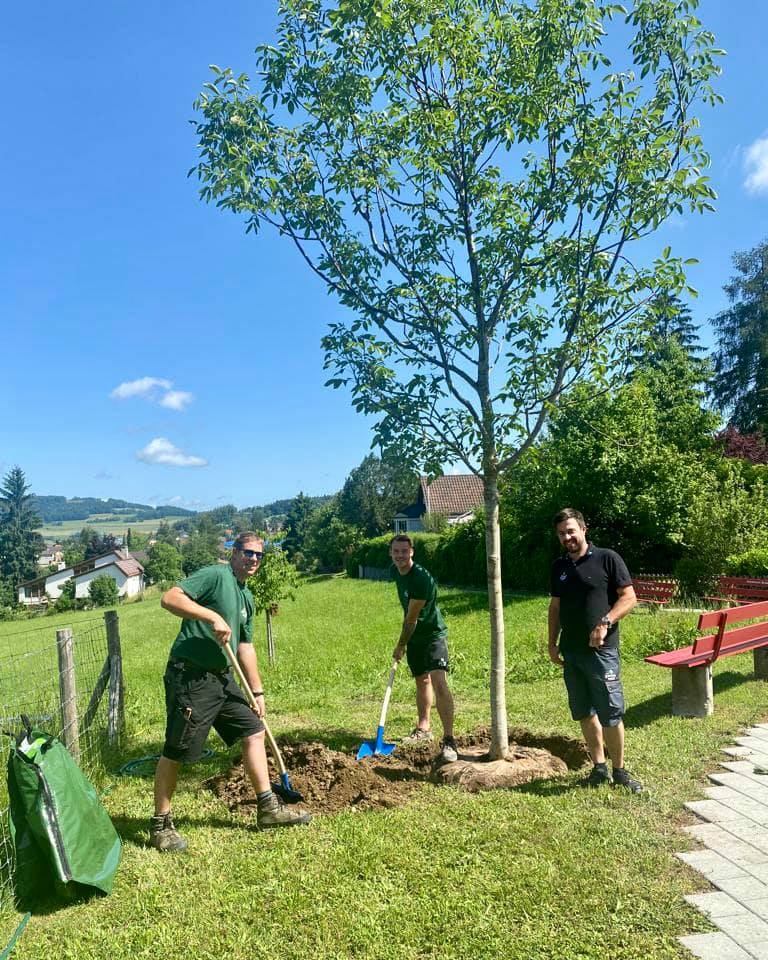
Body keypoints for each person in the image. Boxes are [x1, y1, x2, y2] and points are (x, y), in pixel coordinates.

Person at [150, 532, 311, 852]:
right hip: (191, 676)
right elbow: (169, 598)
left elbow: (245, 647)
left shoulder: (247, 596)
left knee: (254, 730)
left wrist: (257, 692)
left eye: (259, 555)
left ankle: (268, 808)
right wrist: (211, 615)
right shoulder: (215, 576)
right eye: (248, 553)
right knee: (177, 750)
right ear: (234, 552)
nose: (254, 560)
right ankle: (160, 825)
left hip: (223, 679)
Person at [547, 509, 643, 793]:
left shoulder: (607, 558)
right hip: (572, 652)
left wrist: (605, 623)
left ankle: (620, 771)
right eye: (562, 533)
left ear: (583, 529)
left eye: (571, 531)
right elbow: (555, 607)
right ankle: (599, 768)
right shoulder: (559, 566)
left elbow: (629, 598)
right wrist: (552, 643)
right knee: (584, 711)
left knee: (610, 712)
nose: (567, 537)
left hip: (602, 653)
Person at [389, 534, 458, 763]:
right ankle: (424, 727)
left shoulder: (421, 578)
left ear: (412, 552)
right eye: (396, 551)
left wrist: (400, 645)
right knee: (422, 680)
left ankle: (449, 740)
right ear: (391, 553)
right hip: (416, 639)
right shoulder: (396, 572)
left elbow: (411, 619)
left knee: (439, 681)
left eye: (404, 551)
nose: (400, 555)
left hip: (432, 635)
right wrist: (408, 642)